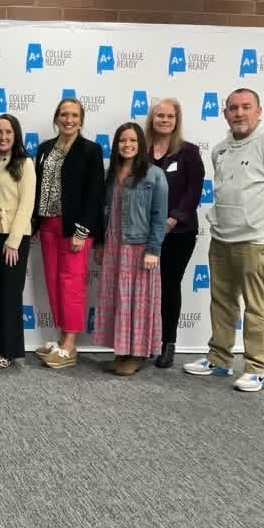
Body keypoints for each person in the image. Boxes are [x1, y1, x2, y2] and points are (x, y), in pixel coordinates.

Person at [184, 88, 264, 392]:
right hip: (222, 238)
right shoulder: (220, 149)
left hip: (256, 240)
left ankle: (257, 368)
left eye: (246, 107)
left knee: (256, 305)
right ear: (225, 113)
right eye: (233, 108)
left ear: (259, 110)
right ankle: (220, 359)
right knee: (222, 301)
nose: (239, 113)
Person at [32, 97, 105, 369]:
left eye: (74, 115)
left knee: (71, 283)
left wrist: (82, 231)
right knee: (53, 282)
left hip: (75, 229)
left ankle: (70, 345)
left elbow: (94, 193)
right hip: (49, 225)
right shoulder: (44, 149)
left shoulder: (90, 150)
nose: (69, 119)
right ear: (57, 117)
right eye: (64, 114)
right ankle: (61, 337)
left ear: (81, 120)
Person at [93, 123, 168, 376]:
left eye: (133, 141)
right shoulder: (111, 174)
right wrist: (101, 243)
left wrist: (153, 249)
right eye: (123, 141)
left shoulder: (154, 174)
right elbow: (105, 212)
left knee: (138, 302)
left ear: (141, 145)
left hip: (138, 247)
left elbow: (159, 216)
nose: (127, 145)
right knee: (118, 300)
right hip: (114, 245)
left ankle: (137, 355)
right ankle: (121, 353)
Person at [145, 99, 205, 368]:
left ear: (177, 120)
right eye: (160, 115)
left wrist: (171, 220)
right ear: (152, 118)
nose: (165, 120)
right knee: (145, 289)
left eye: (170, 116)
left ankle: (167, 343)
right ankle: (144, 342)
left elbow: (194, 191)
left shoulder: (189, 152)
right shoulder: (141, 152)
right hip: (144, 233)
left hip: (178, 233)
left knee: (169, 287)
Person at [0, 114, 35, 369]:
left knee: (10, 294)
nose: (3, 136)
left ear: (16, 135)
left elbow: (26, 206)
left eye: (8, 132)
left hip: (13, 237)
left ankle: (9, 350)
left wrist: (13, 241)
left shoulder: (24, 164)